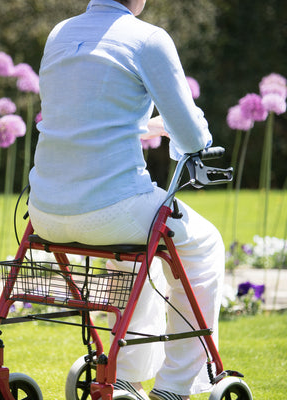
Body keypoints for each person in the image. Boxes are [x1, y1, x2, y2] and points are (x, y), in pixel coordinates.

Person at [28, 1, 225, 399]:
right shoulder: (148, 38)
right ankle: (175, 386)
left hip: (45, 211)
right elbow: (190, 135)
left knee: (146, 259)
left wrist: (142, 126)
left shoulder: (60, 34)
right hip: (112, 208)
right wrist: (190, 138)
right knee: (204, 245)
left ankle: (127, 378)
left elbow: (81, 119)